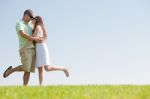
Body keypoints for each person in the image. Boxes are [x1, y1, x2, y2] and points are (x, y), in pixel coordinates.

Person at [3, 9, 41, 86]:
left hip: (33, 48)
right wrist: (33, 38)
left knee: (28, 70)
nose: (32, 19)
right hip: (24, 48)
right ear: (25, 15)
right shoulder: (19, 23)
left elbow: (36, 33)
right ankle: (10, 71)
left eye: (33, 18)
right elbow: (22, 34)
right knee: (26, 67)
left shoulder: (30, 25)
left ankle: (25, 87)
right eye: (31, 17)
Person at [32, 16, 69, 85]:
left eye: (32, 19)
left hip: (41, 48)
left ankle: (63, 69)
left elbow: (32, 37)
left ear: (36, 20)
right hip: (39, 47)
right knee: (40, 69)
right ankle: (40, 85)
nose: (31, 21)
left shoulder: (37, 27)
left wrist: (28, 36)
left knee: (47, 68)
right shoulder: (38, 27)